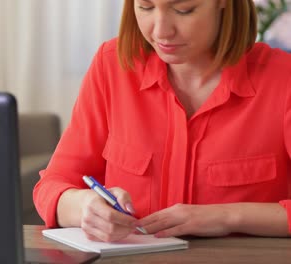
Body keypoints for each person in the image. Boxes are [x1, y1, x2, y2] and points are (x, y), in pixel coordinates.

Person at [33, 0, 291, 242]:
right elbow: (52, 186)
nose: (161, 31)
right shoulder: (112, 66)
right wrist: (83, 207)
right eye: (145, 6)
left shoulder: (283, 80)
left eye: (183, 10)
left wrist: (226, 217)